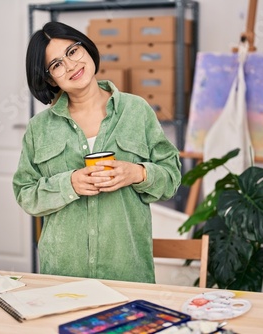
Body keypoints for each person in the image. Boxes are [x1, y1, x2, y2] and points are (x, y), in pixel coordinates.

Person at [13, 21, 181, 283]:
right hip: (62, 275)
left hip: (127, 272)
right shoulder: (40, 128)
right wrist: (69, 184)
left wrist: (136, 173)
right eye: (56, 65)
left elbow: (171, 179)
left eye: (72, 52)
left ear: (86, 49)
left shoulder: (136, 111)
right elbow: (25, 194)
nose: (70, 66)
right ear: (49, 78)